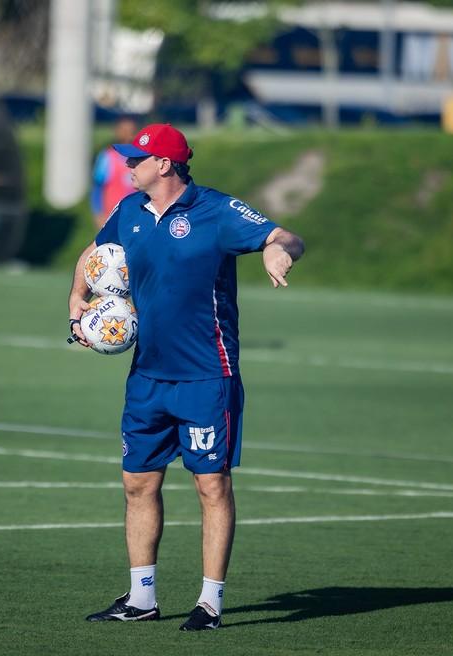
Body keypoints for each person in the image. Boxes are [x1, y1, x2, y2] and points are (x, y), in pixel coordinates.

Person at [68, 123, 305, 631]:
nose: (128, 166)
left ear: (165, 165)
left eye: (137, 159)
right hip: (147, 377)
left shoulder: (216, 211)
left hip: (206, 376)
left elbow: (286, 234)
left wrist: (275, 248)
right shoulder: (129, 211)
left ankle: (210, 603)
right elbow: (93, 257)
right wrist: (77, 305)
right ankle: (141, 598)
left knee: (211, 485)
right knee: (137, 483)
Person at [89, 116, 139, 228]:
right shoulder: (107, 156)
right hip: (111, 216)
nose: (128, 134)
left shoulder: (143, 158)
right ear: (117, 131)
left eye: (132, 131)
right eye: (124, 130)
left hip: (136, 216)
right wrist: (98, 213)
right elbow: (98, 186)